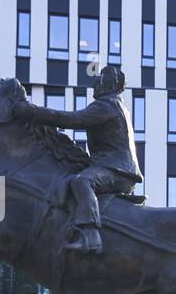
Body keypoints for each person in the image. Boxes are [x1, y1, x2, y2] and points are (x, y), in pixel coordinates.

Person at [13, 65, 143, 255]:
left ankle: (91, 235)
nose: (95, 84)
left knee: (82, 181)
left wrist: (32, 112)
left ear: (110, 85)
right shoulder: (117, 105)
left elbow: (71, 120)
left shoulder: (106, 105)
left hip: (117, 171)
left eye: (100, 80)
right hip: (116, 168)